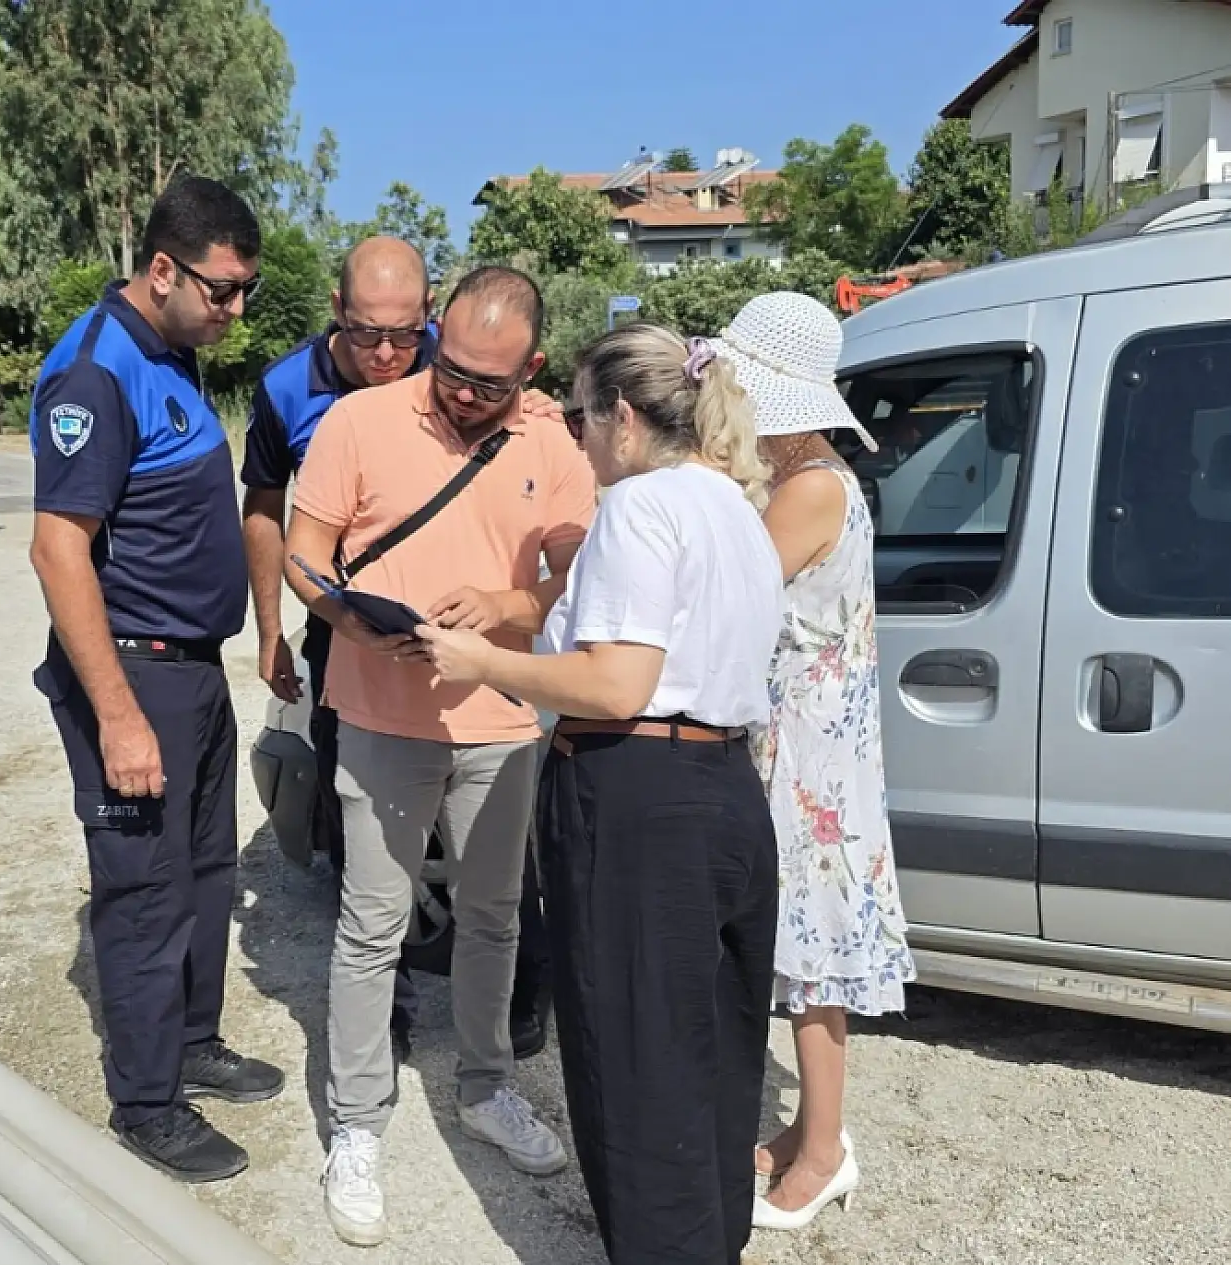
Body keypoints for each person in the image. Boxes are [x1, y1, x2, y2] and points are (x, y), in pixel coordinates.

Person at [417, 322, 784, 1265]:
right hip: (725, 786)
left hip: (636, 790)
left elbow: (617, 681)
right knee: (713, 1045)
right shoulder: (736, 504)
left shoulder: (638, 504)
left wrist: (481, 661)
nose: (575, 439)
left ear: (623, 416)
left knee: (634, 1056)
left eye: (580, 417)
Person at [284, 266, 595, 1248]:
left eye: (487, 383)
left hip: (499, 723)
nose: (461, 393)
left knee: (493, 917)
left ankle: (486, 1085)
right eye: (450, 369)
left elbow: (578, 574)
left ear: (530, 369)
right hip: (380, 717)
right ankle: (356, 1123)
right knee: (371, 925)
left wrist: (505, 606)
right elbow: (303, 549)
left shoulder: (550, 440)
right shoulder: (359, 421)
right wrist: (344, 618)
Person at [241, 237, 555, 1064]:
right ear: (337, 312)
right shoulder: (294, 392)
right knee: (368, 867)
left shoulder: (506, 396)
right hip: (354, 645)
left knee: (498, 872)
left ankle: (517, 1010)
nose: (387, 353)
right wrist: (283, 626)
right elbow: (271, 517)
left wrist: (504, 606)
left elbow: (571, 556)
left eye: (406, 335)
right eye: (367, 334)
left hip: (486, 685)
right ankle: (387, 1019)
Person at [28, 175, 284, 1185]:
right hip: (136, 675)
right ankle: (146, 1102)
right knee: (144, 891)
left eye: (247, 290)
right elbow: (58, 551)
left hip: (192, 668)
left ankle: (191, 1040)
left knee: (204, 872)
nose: (236, 310)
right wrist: (119, 714)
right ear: (164, 269)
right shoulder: (94, 373)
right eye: (222, 290)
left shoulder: (169, 351)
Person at [713, 293, 918, 1231]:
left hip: (810, 753)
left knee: (813, 956)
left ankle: (826, 1150)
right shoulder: (810, 475)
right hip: (809, 741)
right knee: (805, 948)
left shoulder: (810, 488)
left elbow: (737, 586)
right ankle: (809, 1129)